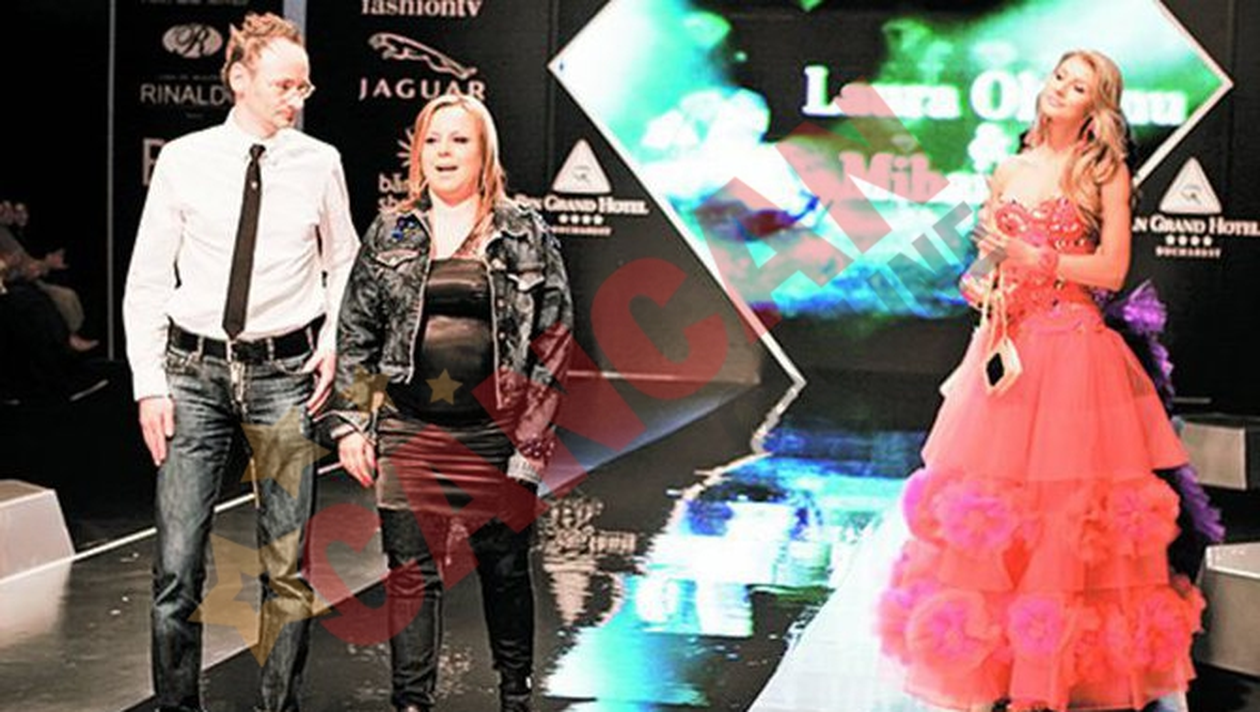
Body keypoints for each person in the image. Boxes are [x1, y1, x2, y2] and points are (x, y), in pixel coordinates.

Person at [876, 50, 1204, 712]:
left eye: (1078, 86)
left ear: (1096, 107)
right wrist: (981, 282)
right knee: (994, 512)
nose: (1061, 90)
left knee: (1064, 513)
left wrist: (1037, 256)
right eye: (1059, 77)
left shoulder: (1103, 172)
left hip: (1073, 353)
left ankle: (1049, 679)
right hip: (1009, 351)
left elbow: (1111, 270)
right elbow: (986, 265)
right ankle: (995, 672)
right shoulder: (1010, 169)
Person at [122, 12, 358, 712]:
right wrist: (148, 384)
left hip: (284, 375)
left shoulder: (320, 162)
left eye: (303, 86)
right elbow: (148, 277)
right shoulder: (184, 159)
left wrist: (332, 338)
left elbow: (344, 260)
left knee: (286, 565)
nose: (297, 98)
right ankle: (177, 706)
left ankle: (279, 707)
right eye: (284, 85)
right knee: (177, 567)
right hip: (191, 373)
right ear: (239, 79)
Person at [322, 93, 573, 712]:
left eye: (460, 140)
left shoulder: (525, 231)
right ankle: (411, 703)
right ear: (417, 153)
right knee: (410, 574)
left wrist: (530, 442)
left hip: (497, 432)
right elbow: (357, 332)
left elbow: (553, 339)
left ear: (484, 152)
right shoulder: (391, 230)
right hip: (409, 426)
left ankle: (514, 695)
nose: (444, 152)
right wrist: (352, 423)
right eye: (433, 140)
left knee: (505, 570)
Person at [0, 200, 96, 352]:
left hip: (27, 279)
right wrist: (44, 264)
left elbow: (27, 263)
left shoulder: (9, 233)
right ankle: (66, 340)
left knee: (67, 295)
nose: (11, 214)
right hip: (14, 285)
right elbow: (12, 270)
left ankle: (72, 336)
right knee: (44, 301)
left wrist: (46, 264)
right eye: (5, 210)